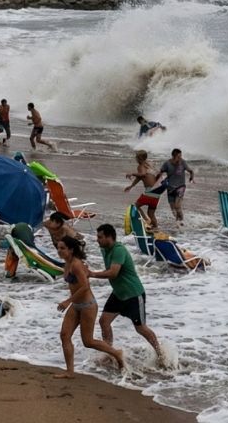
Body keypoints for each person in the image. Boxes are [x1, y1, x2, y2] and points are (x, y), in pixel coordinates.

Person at [89, 224, 164, 365]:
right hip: (118, 293)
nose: (97, 240)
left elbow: (113, 272)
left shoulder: (119, 250)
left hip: (133, 294)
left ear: (109, 237)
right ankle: (110, 352)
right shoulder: (104, 249)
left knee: (140, 328)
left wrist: (92, 274)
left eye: (100, 237)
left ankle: (160, 354)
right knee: (104, 322)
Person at [54, 236, 124, 378]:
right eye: (58, 248)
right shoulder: (67, 264)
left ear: (71, 250)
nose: (59, 251)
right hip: (76, 305)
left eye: (62, 248)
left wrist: (68, 301)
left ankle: (116, 353)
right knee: (64, 335)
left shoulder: (76, 264)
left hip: (87, 306)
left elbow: (85, 287)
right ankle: (70, 371)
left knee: (88, 341)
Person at [124, 150, 163, 229]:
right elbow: (140, 177)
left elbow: (142, 174)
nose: (135, 159)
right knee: (151, 214)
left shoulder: (141, 166)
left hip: (149, 192)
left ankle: (146, 220)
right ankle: (155, 228)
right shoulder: (148, 166)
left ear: (139, 158)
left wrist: (132, 173)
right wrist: (131, 186)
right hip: (156, 193)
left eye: (136, 158)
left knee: (135, 206)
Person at [156, 148, 194, 223]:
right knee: (173, 209)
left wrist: (191, 177)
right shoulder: (167, 164)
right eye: (178, 156)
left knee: (177, 206)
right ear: (173, 156)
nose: (180, 158)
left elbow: (191, 171)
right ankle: (178, 223)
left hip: (180, 187)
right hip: (170, 188)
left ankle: (182, 222)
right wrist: (156, 180)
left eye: (181, 156)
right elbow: (160, 172)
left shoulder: (182, 162)